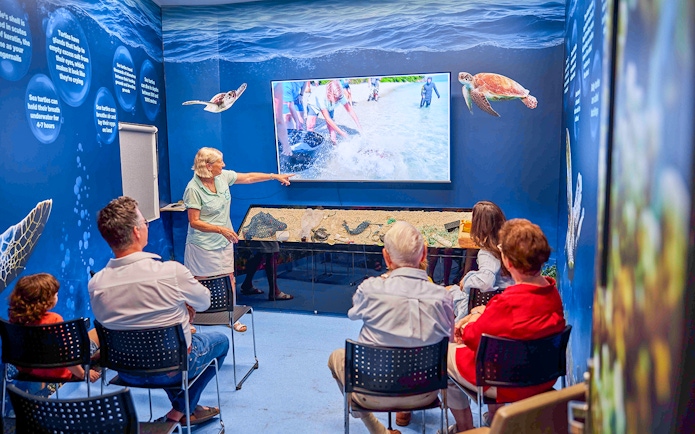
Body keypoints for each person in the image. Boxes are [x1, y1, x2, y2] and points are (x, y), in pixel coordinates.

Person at [89, 196, 229, 425]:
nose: (147, 226)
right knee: (221, 342)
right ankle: (180, 413)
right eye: (145, 222)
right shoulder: (172, 273)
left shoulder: (96, 285)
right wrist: (184, 308)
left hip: (126, 371)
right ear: (136, 232)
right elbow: (204, 302)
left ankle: (185, 410)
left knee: (161, 350)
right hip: (171, 367)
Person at [328, 221, 454, 434]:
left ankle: (375, 428)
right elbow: (449, 340)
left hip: (371, 392)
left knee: (337, 357)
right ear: (424, 254)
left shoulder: (370, 289)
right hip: (427, 393)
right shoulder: (443, 297)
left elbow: (353, 313)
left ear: (386, 257)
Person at [445, 219, 566, 432]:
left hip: (506, 382)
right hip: (540, 377)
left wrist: (467, 323)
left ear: (508, 261)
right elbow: (518, 325)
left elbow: (473, 338)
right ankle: (494, 415)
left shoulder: (507, 302)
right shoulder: (552, 292)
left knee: (443, 352)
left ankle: (466, 427)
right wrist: (486, 313)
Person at [183, 147, 293, 308]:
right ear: (208, 166)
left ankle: (231, 315)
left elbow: (248, 177)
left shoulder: (222, 177)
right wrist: (220, 229)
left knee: (229, 278)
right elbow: (194, 222)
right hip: (202, 245)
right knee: (198, 280)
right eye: (220, 162)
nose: (223, 165)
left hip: (225, 240)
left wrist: (274, 176)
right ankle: (191, 318)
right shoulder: (193, 189)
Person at [9, 273, 101, 383]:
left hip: (32, 371)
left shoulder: (14, 319)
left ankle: (93, 358)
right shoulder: (53, 320)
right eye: (55, 294)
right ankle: (94, 361)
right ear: (45, 301)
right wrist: (83, 373)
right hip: (61, 372)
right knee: (98, 332)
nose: (57, 296)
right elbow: (68, 355)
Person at [449, 201, 513, 321]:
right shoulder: (509, 245)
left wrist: (467, 279)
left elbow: (486, 281)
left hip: (484, 305)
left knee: (445, 293)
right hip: (506, 302)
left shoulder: (487, 252)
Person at [306, 80, 364, 145]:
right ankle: (309, 142)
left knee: (331, 127)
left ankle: (334, 142)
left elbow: (350, 110)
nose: (337, 100)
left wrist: (359, 126)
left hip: (329, 105)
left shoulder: (339, 95)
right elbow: (327, 119)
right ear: (330, 94)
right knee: (311, 125)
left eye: (338, 98)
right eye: (336, 98)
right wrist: (342, 133)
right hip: (314, 103)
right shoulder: (321, 97)